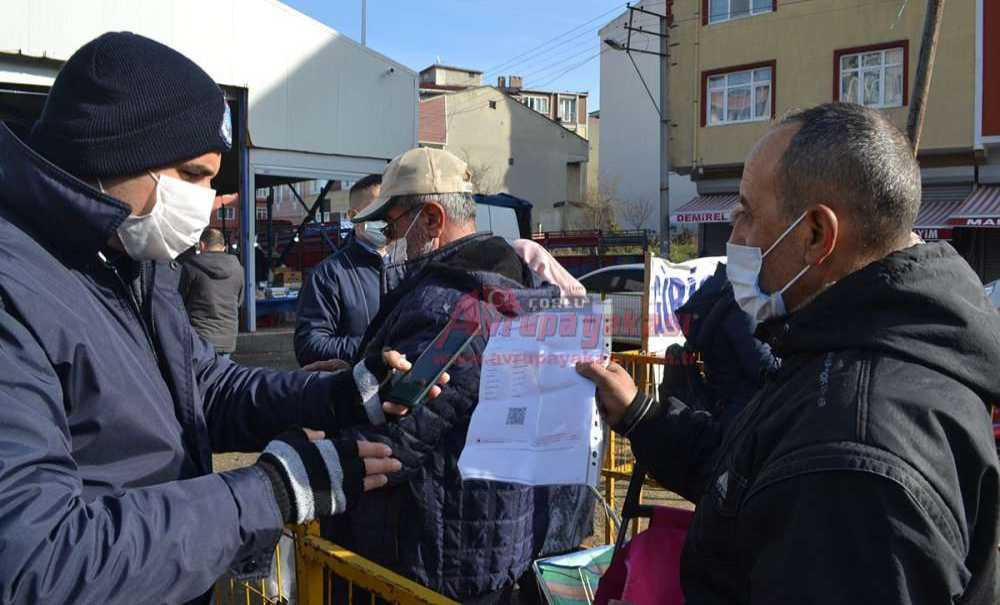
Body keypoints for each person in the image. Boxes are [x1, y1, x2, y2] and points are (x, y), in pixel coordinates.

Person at [0, 32, 450, 605]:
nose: (210, 199)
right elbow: (35, 560)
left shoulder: (132, 259)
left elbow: (205, 386)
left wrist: (338, 395)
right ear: (113, 153)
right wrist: (268, 493)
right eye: (193, 174)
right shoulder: (15, 287)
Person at [577, 103, 1000, 604]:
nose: (733, 235)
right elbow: (753, 475)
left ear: (815, 235)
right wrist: (642, 415)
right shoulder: (845, 350)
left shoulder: (853, 461)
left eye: (747, 213)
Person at [337, 148, 554, 603]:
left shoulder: (446, 304)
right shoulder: (519, 287)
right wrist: (351, 373)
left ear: (432, 220)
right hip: (494, 538)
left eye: (392, 226)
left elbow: (394, 441)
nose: (386, 241)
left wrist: (316, 416)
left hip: (434, 555)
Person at [673, 262, 779, 431]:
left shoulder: (720, 298)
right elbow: (761, 366)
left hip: (722, 401)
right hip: (743, 411)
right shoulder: (741, 307)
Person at [294, 174, 385, 366]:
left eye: (389, 208)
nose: (385, 218)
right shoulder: (327, 276)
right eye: (377, 209)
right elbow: (310, 346)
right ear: (353, 216)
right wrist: (376, 348)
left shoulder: (410, 266)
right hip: (353, 390)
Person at [180, 227, 245, 357]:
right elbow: (239, 301)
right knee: (224, 376)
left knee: (199, 377)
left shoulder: (190, 267)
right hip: (228, 338)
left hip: (199, 338)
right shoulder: (238, 269)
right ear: (224, 246)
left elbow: (180, 301)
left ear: (202, 245)